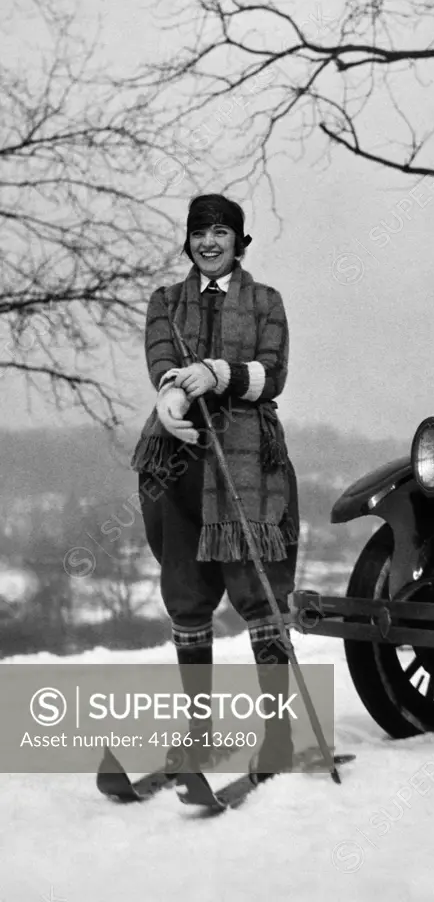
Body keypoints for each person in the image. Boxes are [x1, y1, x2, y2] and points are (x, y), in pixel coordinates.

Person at [130, 192, 299, 770]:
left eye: (221, 233)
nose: (209, 243)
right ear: (188, 240)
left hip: (248, 458)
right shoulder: (165, 301)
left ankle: (277, 738)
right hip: (177, 460)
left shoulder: (265, 301)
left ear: (238, 241)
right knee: (186, 591)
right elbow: (159, 357)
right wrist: (174, 391)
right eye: (200, 233)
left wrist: (219, 373)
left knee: (260, 590)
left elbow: (272, 373)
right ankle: (198, 732)